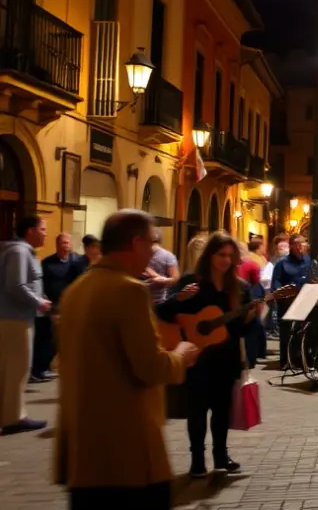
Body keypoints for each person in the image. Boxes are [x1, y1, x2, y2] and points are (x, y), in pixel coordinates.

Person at [55, 209, 199, 509]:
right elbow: (149, 366)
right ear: (135, 243)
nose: (153, 250)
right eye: (152, 242)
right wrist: (180, 356)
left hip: (83, 457)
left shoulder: (75, 291)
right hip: (128, 454)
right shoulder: (129, 291)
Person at [158, 232, 264, 479]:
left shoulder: (240, 288)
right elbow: (162, 314)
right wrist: (178, 299)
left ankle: (220, 456)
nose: (225, 260)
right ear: (209, 256)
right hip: (196, 357)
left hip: (225, 358)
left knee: (221, 410)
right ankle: (197, 460)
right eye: (220, 255)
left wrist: (251, 317)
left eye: (229, 256)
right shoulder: (191, 282)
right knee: (197, 410)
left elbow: (242, 331)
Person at [0, 216, 51, 435]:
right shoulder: (20, 252)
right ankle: (13, 417)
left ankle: (9, 414)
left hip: (13, 317)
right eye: (42, 229)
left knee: (9, 370)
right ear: (30, 230)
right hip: (16, 319)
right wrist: (39, 302)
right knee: (17, 370)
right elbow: (16, 285)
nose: (45, 233)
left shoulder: (17, 251)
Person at [33, 233, 86, 383]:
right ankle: (40, 369)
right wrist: (46, 303)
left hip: (72, 306)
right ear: (57, 244)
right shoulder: (47, 263)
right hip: (53, 307)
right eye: (63, 243)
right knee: (49, 339)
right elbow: (41, 284)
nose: (65, 245)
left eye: (68, 242)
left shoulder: (76, 262)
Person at [271, 234, 311, 370]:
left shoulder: (308, 261)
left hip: (304, 301)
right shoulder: (282, 263)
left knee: (302, 331)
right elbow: (275, 285)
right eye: (298, 244)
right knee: (286, 332)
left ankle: (301, 359)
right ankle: (286, 361)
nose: (301, 247)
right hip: (287, 303)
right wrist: (281, 296)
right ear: (292, 246)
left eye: (303, 244)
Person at [237, 240, 268, 369]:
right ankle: (251, 358)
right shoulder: (252, 264)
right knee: (254, 326)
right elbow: (257, 282)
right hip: (248, 298)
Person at [143, 230, 180, 305]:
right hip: (140, 299)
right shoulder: (169, 255)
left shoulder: (167, 255)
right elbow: (175, 278)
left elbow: (175, 278)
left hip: (158, 301)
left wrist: (162, 281)